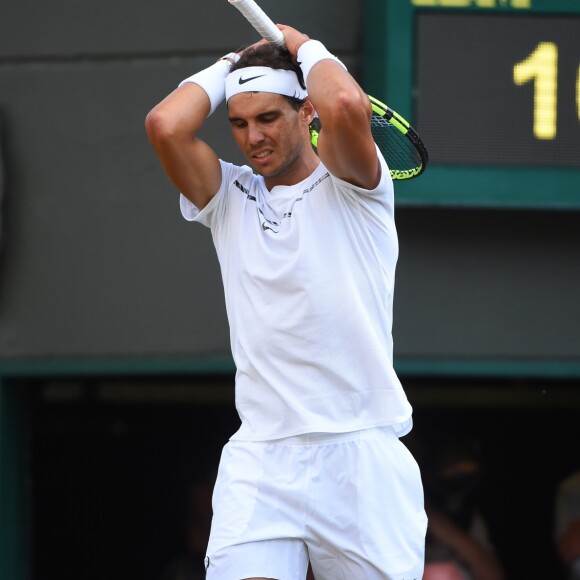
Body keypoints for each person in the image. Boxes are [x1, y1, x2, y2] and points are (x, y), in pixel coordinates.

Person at [146, 23, 426, 580]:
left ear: (306, 113)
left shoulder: (356, 184)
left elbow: (345, 100)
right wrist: (234, 65)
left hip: (362, 458)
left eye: (268, 117)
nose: (252, 138)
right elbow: (165, 124)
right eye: (239, 123)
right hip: (261, 458)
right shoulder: (226, 197)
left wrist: (302, 46)